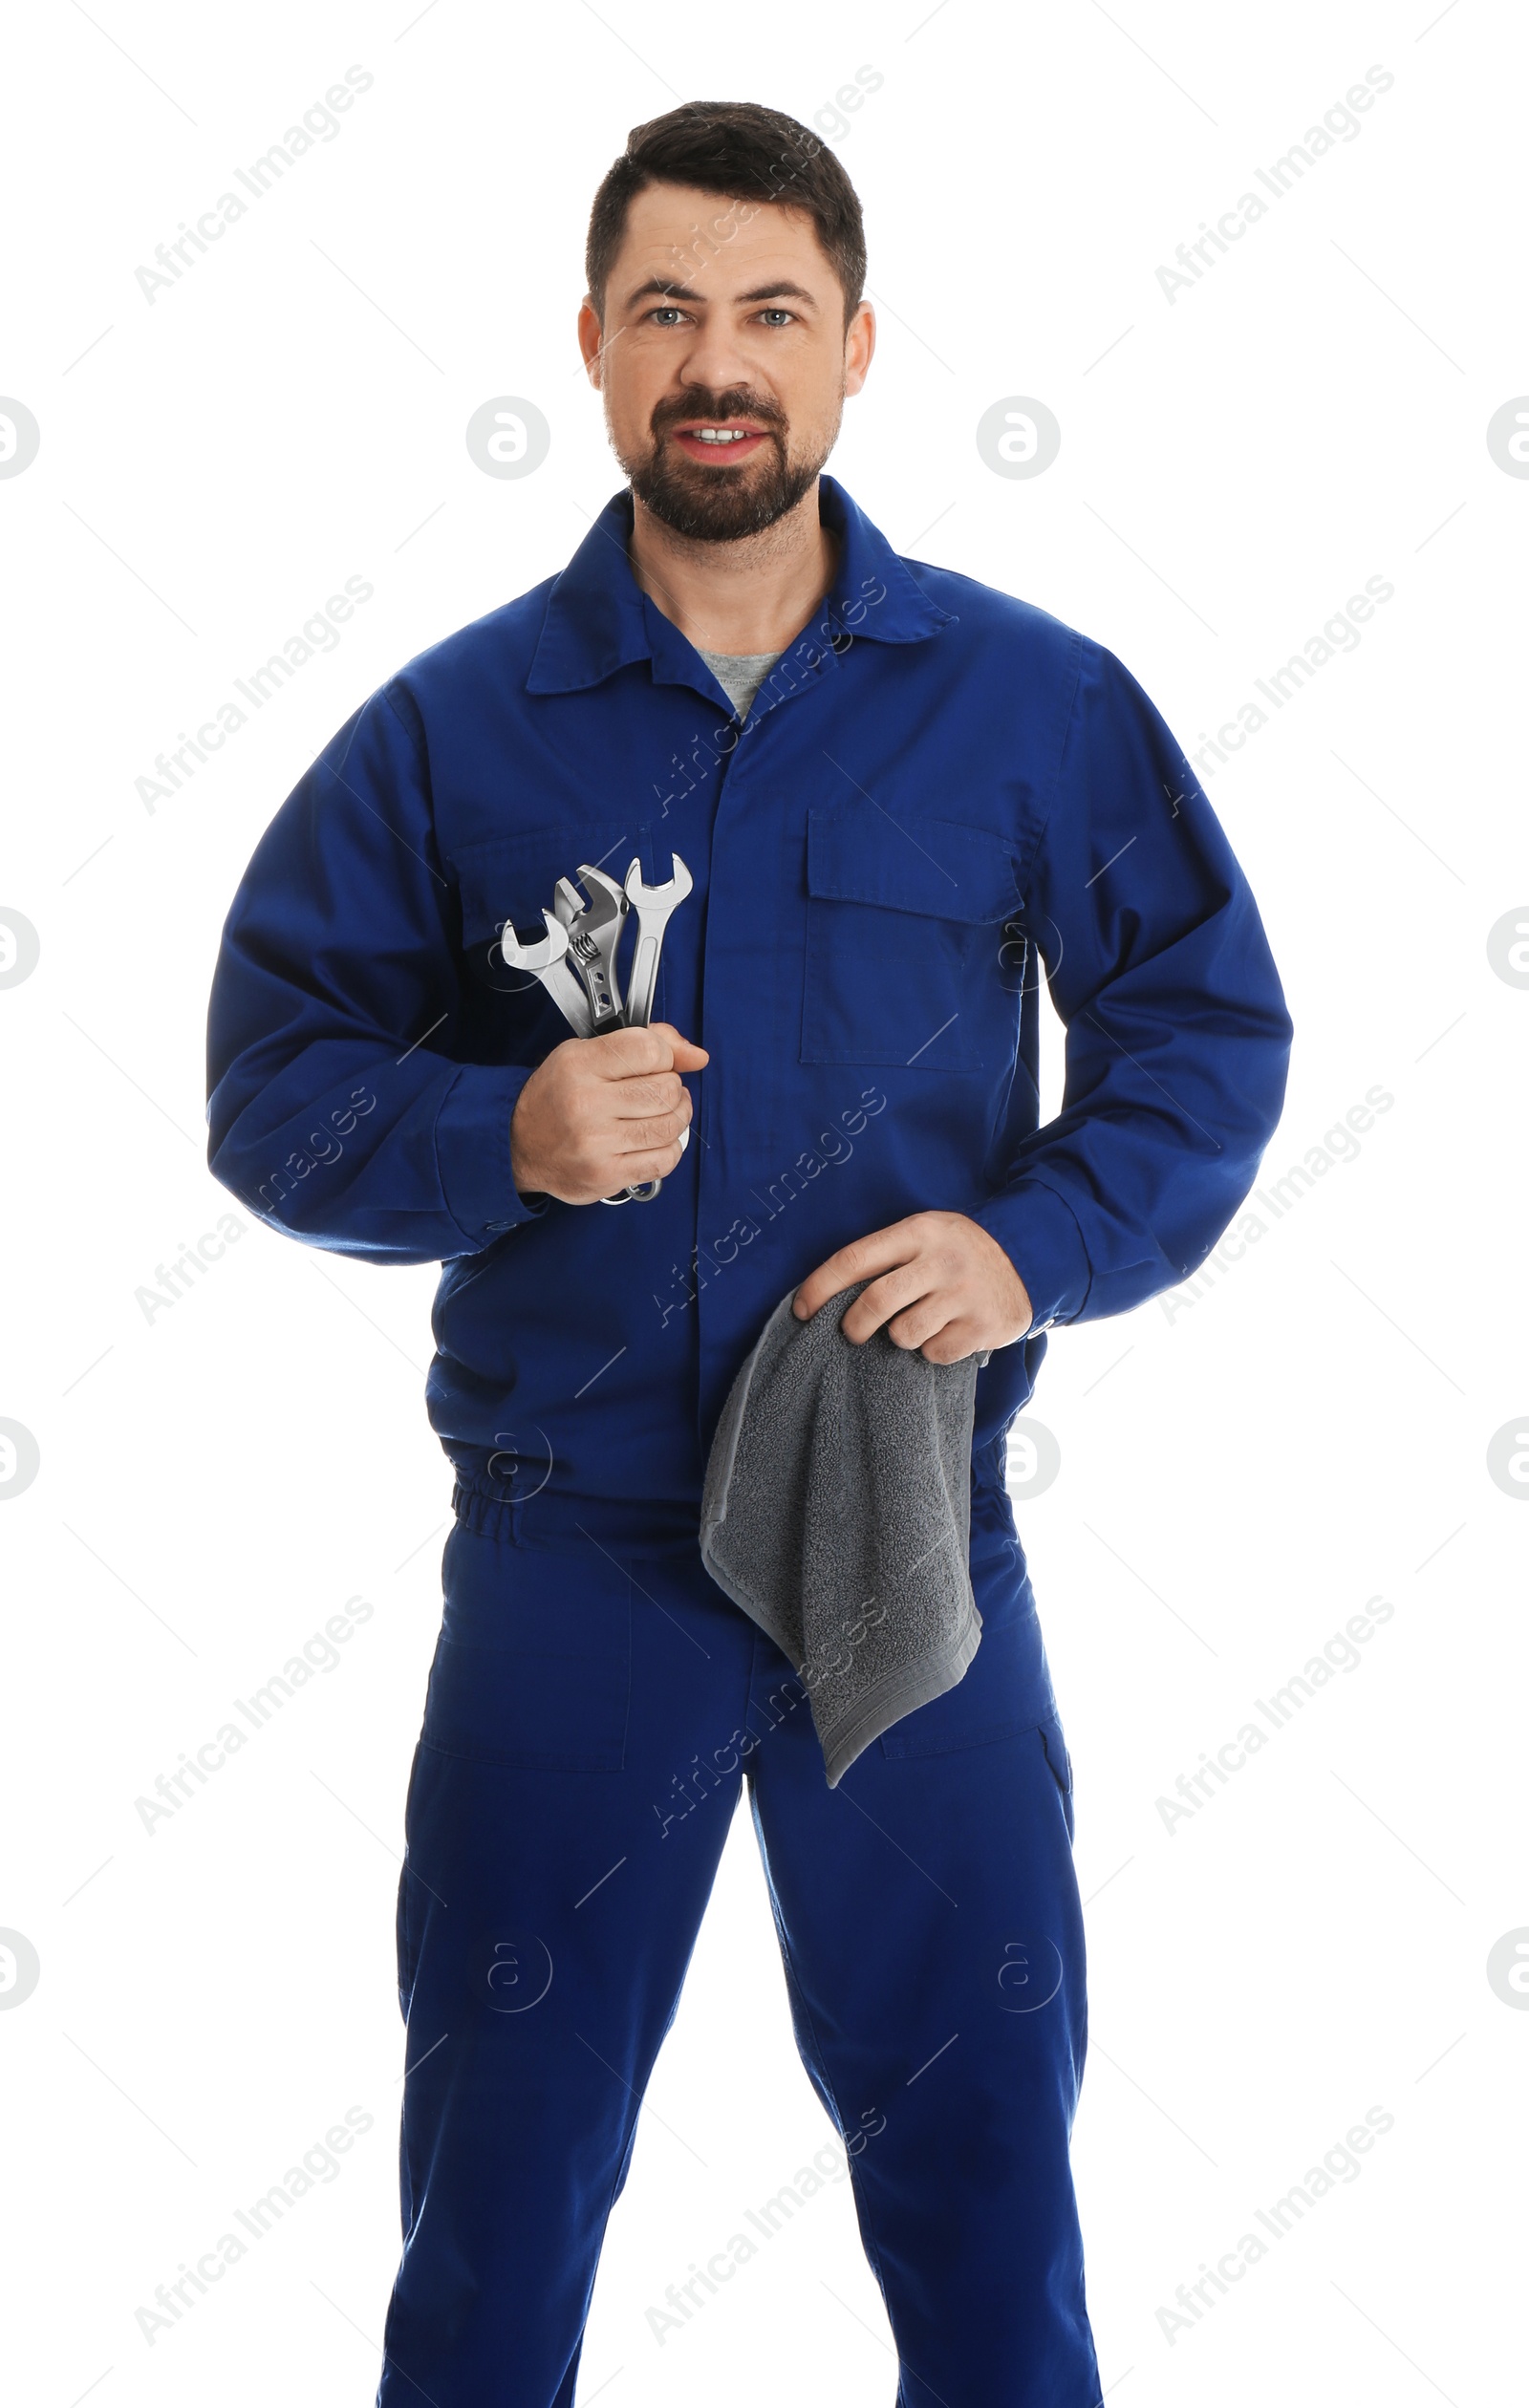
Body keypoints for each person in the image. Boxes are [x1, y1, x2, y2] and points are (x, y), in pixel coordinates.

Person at [205, 97, 1291, 2408]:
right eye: (671, 310)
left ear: (857, 349)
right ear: (591, 348)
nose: (722, 360)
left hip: (907, 1548)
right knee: (500, 2197)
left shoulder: (1027, 703)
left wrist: (1038, 1245)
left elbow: (1202, 1023)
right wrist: (491, 1122)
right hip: (570, 1565)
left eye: (772, 313)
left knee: (986, 2172)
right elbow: (268, 1086)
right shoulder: (452, 730)